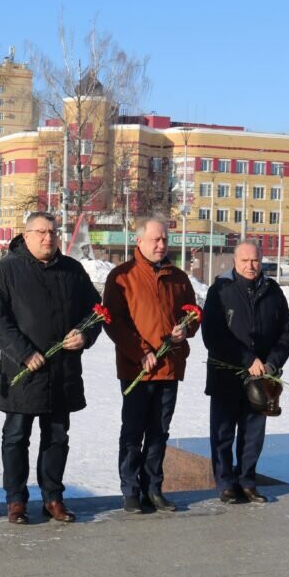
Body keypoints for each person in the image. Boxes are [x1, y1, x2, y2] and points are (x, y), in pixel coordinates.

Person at [0, 212, 102, 524]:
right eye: (41, 232)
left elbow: (96, 312)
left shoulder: (73, 271)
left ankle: (52, 497)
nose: (48, 238)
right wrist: (23, 353)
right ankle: (15, 500)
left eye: (52, 232)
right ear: (26, 235)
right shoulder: (7, 270)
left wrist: (84, 334)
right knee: (16, 436)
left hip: (63, 372)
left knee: (57, 437)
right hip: (23, 372)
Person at [103, 217, 199, 514]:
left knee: (159, 431)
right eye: (155, 240)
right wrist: (140, 351)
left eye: (165, 240)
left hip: (169, 365)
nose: (161, 245)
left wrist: (187, 328)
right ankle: (131, 490)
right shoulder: (122, 276)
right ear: (140, 242)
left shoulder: (178, 277)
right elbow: (114, 322)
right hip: (138, 368)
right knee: (133, 430)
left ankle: (153, 487)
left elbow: (194, 313)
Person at [202, 240, 289, 504]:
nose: (250, 265)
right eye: (244, 261)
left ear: (262, 259)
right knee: (222, 434)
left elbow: (286, 333)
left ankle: (247, 481)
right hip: (226, 375)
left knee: (253, 434)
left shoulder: (273, 291)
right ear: (235, 261)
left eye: (254, 260)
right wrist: (247, 359)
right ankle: (226, 484)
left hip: (261, 379)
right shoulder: (220, 290)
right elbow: (213, 335)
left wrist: (271, 363)